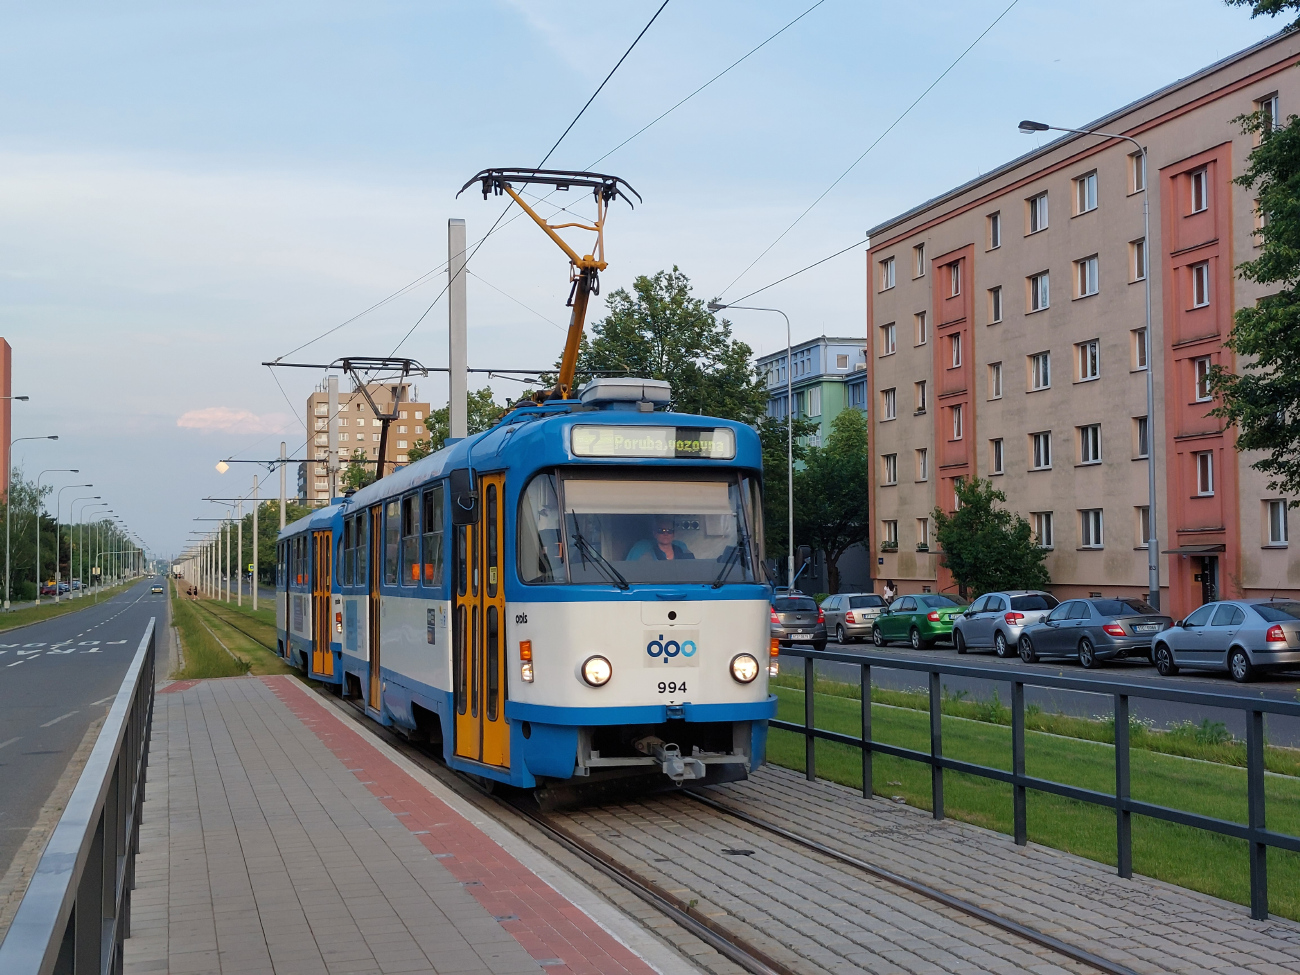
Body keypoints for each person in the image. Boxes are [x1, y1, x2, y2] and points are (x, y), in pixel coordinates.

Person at [627, 515, 695, 561]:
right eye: (661, 531)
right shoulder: (647, 557)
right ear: (655, 534)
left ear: (673, 534)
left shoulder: (685, 553)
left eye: (669, 531)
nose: (665, 534)